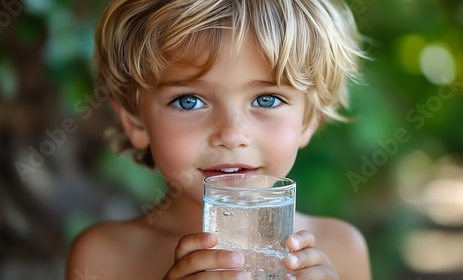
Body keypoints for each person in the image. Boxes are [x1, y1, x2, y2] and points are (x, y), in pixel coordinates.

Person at [67, 0, 371, 279]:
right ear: (135, 121)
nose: (231, 135)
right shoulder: (104, 257)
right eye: (189, 101)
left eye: (266, 100)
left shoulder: (341, 250)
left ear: (307, 119)